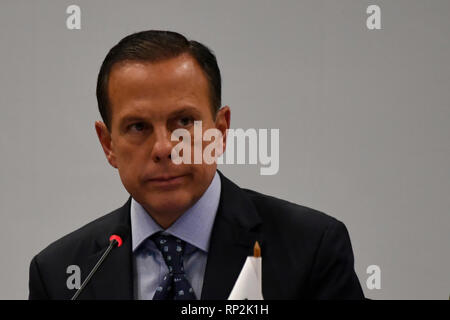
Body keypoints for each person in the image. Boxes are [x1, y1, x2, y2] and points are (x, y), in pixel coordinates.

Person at [28, 30, 364, 300]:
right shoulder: (60, 274)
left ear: (220, 130)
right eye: (138, 127)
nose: (163, 148)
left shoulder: (311, 249)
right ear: (108, 144)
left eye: (184, 121)